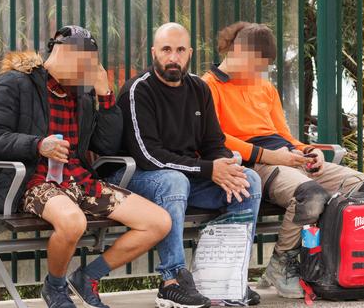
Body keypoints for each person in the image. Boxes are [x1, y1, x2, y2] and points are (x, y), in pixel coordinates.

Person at [202, 21, 364, 298]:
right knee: (310, 195)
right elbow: (216, 139)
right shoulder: (208, 86)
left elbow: (283, 135)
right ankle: (282, 263)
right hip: (254, 163)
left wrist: (307, 151)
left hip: (288, 158)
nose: (258, 73)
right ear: (238, 50)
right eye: (256, 65)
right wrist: (272, 156)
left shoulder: (264, 89)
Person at [0, 25, 171, 308]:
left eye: (91, 64)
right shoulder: (16, 83)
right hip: (34, 182)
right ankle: (55, 287)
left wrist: (105, 95)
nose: (88, 70)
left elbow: (105, 146)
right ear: (64, 54)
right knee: (73, 222)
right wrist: (37, 144)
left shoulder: (81, 94)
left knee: (158, 222)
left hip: (79, 181)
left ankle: (88, 277)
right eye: (85, 63)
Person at [108, 22, 262, 308]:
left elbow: (213, 143)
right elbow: (148, 156)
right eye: (166, 50)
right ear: (154, 52)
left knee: (248, 180)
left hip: (184, 179)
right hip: (136, 180)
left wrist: (224, 167)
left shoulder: (199, 89)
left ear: (189, 53)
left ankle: (222, 280)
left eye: (180, 50)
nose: (173, 57)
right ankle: (172, 281)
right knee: (172, 180)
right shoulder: (138, 90)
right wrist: (208, 170)